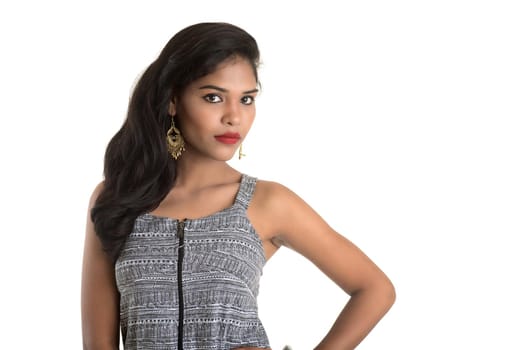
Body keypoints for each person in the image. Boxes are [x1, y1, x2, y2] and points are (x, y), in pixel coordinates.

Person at [81, 22, 395, 350]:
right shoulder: (116, 199)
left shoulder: (267, 202)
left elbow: (375, 289)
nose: (234, 116)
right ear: (172, 100)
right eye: (213, 97)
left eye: (247, 99)